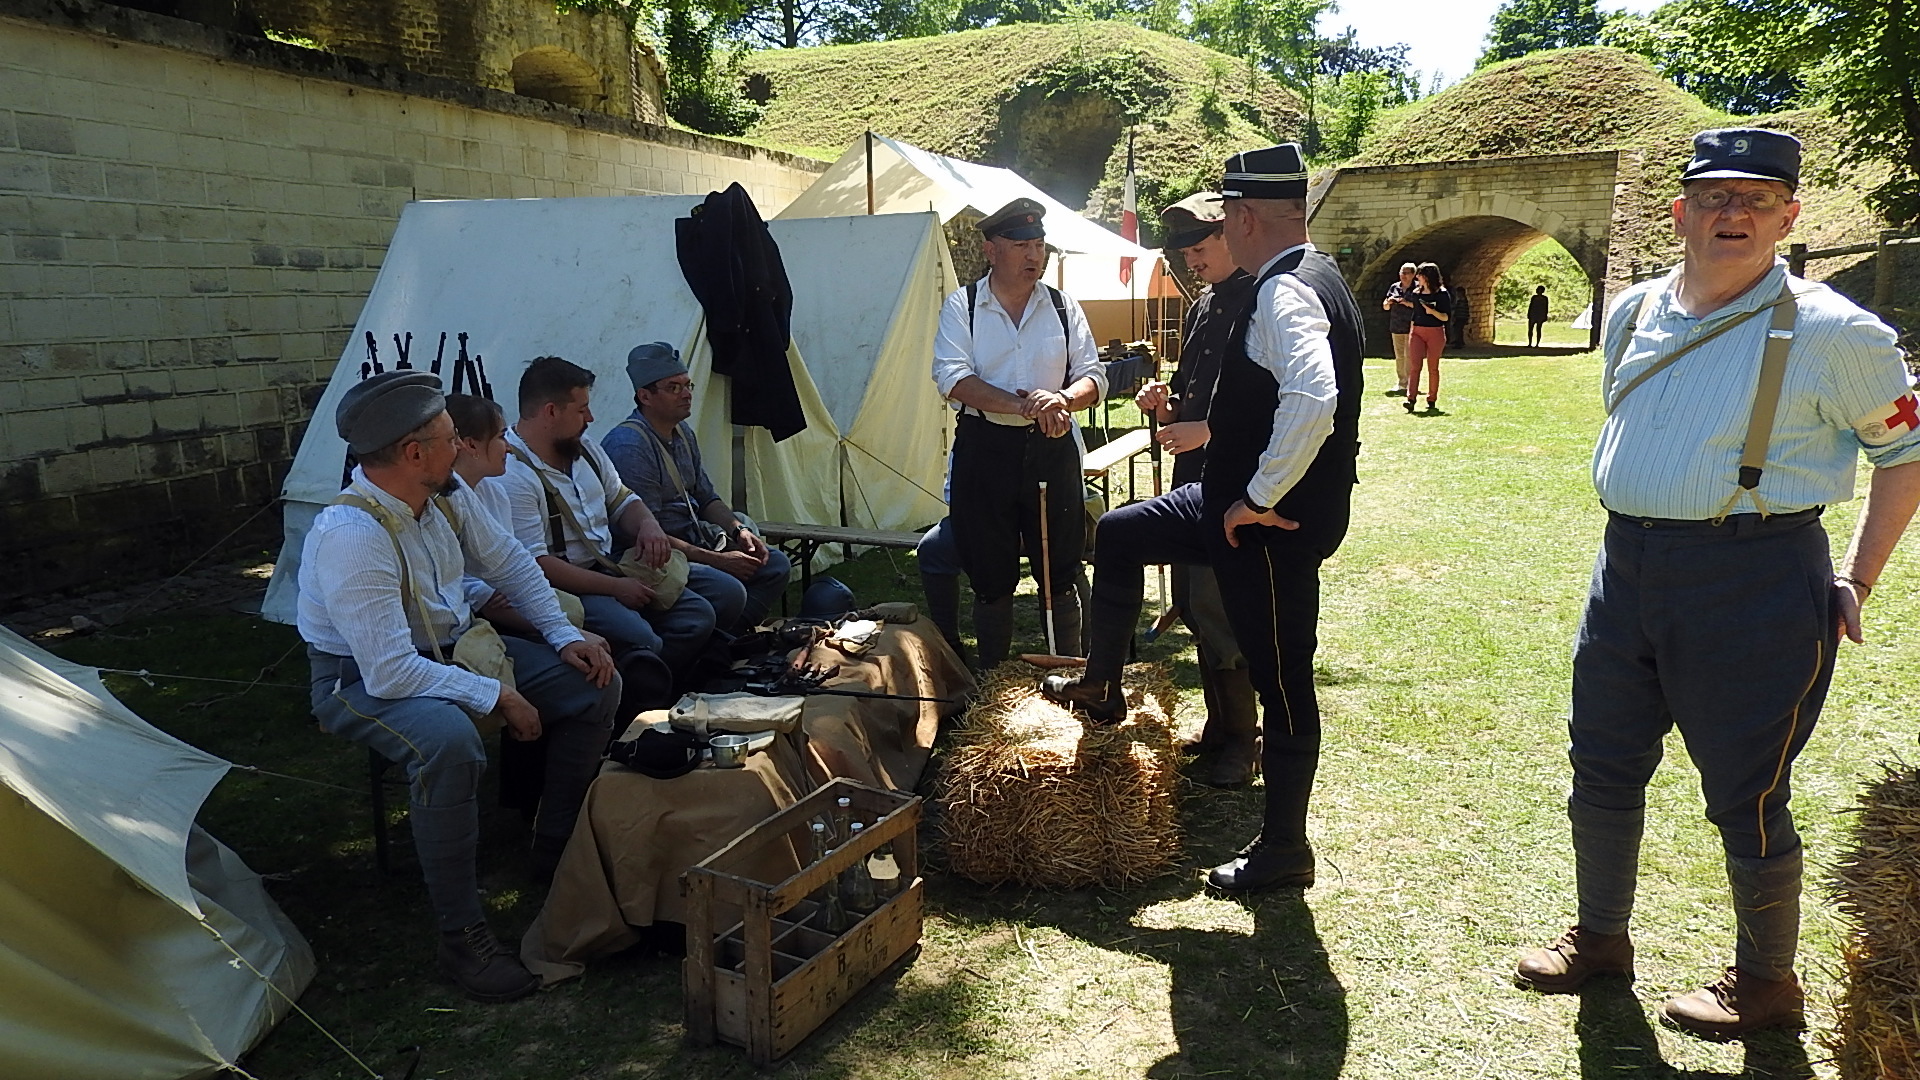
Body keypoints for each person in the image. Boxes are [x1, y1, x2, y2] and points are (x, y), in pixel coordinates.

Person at [1514, 128, 1920, 1039]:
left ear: (1789, 215)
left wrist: (1857, 577)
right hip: (1628, 566)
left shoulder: (1838, 331)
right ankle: (1600, 939)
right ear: (1680, 212)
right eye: (1713, 196)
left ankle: (1766, 983)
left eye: (1756, 199)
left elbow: (1907, 453)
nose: (1732, 213)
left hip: (1757, 575)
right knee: (1602, 762)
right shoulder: (1633, 310)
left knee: (1748, 789)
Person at [1041, 143, 1364, 893]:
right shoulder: (1308, 275)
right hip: (1225, 502)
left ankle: (1284, 849)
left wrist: (1262, 495)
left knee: (1283, 681)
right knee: (1120, 533)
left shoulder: (1285, 290)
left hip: (1267, 526)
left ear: (1244, 218)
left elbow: (1314, 397)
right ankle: (1102, 686)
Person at [298, 371, 621, 1003]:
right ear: (414, 453)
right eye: (450, 438)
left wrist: (563, 635)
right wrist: (497, 695)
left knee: (592, 683)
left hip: (450, 648)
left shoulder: (445, 494)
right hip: (357, 677)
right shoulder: (353, 536)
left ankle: (555, 848)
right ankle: (461, 937)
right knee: (448, 743)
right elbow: (389, 671)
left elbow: (509, 561)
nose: (461, 447)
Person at [932, 197, 1106, 667]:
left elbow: (1093, 376)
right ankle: (994, 682)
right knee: (989, 574)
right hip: (985, 449)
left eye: (1039, 245)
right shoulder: (964, 306)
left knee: (1060, 569)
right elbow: (952, 377)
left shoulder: (1063, 306)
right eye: (1021, 245)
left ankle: (1072, 676)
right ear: (991, 250)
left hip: (1052, 445)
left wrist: (1063, 399)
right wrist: (1024, 406)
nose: (1034, 255)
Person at [492, 356, 714, 708]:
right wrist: (616, 588)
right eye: (582, 410)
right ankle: (636, 705)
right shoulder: (513, 475)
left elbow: (622, 498)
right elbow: (537, 564)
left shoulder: (585, 448)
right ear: (551, 411)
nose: (591, 418)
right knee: (641, 637)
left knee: (704, 610)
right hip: (566, 586)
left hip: (612, 565)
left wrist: (648, 525)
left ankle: (667, 690)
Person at [1137, 191, 1261, 787]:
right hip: (1195, 478)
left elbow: (1276, 404)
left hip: (1237, 480)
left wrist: (1206, 428)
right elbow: (1196, 390)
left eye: (1200, 247)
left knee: (1223, 608)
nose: (1191, 260)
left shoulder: (1264, 300)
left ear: (1232, 234)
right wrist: (1167, 405)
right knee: (1194, 603)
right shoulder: (1205, 304)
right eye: (1184, 251)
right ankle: (1220, 727)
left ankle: (1243, 739)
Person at [601, 342, 793, 633]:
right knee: (728, 590)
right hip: (656, 556)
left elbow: (706, 497)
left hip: (694, 539)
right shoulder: (630, 446)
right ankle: (715, 644)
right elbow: (644, 536)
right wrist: (718, 561)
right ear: (645, 396)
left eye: (687, 385)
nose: (687, 394)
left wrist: (738, 531)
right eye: (674, 388)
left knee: (774, 564)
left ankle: (727, 640)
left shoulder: (682, 432)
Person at [1404, 261, 1450, 414]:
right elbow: (1415, 314)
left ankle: (1432, 398)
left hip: (1435, 331)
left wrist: (1433, 312)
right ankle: (1411, 399)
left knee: (1433, 367)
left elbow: (1445, 317)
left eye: (1420, 275)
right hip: (1417, 331)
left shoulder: (1442, 294)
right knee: (1415, 366)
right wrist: (1412, 331)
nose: (1417, 277)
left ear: (1428, 277)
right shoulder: (1416, 293)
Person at [1382, 263, 1419, 396]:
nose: (1403, 275)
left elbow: (1421, 306)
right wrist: (1388, 303)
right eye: (1401, 272)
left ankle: (1410, 383)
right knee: (1399, 356)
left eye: (1406, 273)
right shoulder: (1394, 287)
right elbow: (1385, 306)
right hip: (1396, 325)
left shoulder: (1418, 288)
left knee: (1409, 355)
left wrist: (1405, 302)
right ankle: (1401, 382)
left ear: (1413, 274)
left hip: (1411, 325)